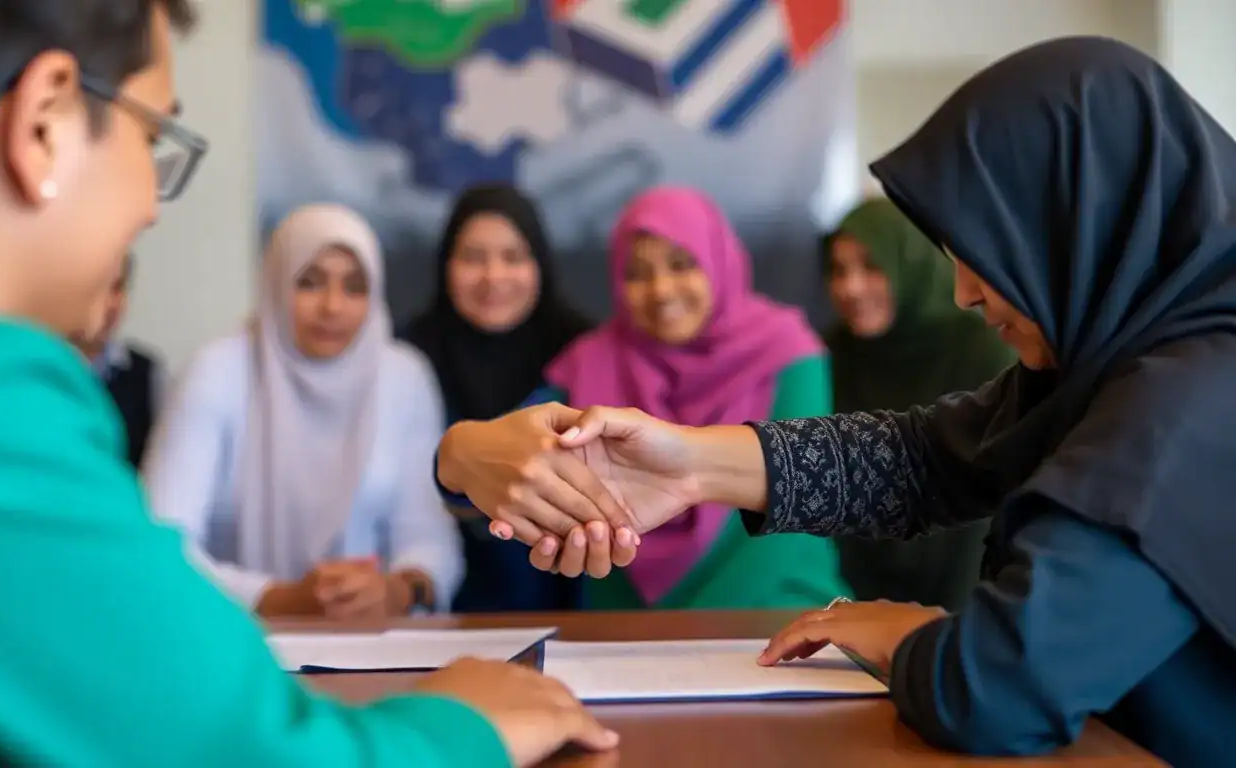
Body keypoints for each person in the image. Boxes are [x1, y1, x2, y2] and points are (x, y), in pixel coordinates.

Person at [435, 37, 1236, 763]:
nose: (961, 292)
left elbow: (995, 689)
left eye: (988, 253)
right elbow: (931, 457)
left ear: (1082, 226)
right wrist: (688, 467)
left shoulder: (1184, 405)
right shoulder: (1130, 365)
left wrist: (907, 631)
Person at [0, 2, 615, 765]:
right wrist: (465, 724)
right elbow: (233, 748)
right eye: (151, 137)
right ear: (44, 122)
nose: (148, 206)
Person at [454, 186, 848, 610]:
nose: (661, 290)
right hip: (627, 637)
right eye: (637, 273)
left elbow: (797, 511)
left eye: (681, 265)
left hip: (778, 617)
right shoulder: (592, 364)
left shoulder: (786, 353)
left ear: (718, 261)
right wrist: (458, 451)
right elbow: (503, 455)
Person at [143, 204, 462, 619]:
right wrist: (276, 599)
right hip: (235, 635)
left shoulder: (403, 377)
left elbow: (429, 537)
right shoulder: (218, 371)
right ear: (276, 283)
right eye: (309, 283)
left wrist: (397, 590)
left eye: (354, 287)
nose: (332, 307)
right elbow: (162, 542)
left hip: (372, 645)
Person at [403, 184, 590, 612]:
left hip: (571, 613)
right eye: (473, 258)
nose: (493, 277)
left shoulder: (582, 357)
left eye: (513, 257)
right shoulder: (405, 360)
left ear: (539, 263)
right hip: (435, 615)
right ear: (445, 264)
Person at [823, 198, 1015, 610]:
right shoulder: (832, 353)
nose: (850, 288)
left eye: (872, 267)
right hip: (852, 597)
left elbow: (986, 501)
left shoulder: (983, 352)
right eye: (838, 271)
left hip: (968, 594)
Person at [70, 252, 166, 468]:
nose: (111, 303)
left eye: (118, 288)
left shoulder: (146, 373)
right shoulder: (39, 367)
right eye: (100, 287)